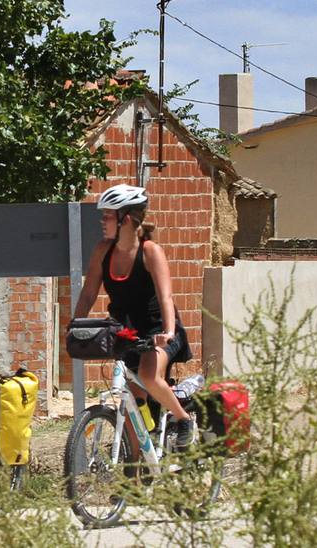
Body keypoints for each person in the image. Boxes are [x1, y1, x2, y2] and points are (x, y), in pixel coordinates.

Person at [71, 184, 196, 447]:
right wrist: (76, 324)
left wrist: (169, 333)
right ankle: (136, 473)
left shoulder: (150, 252)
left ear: (125, 219)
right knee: (132, 403)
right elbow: (88, 293)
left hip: (157, 329)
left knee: (150, 375)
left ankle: (183, 418)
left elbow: (166, 298)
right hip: (124, 331)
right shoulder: (103, 251)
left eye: (107, 216)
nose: (102, 221)